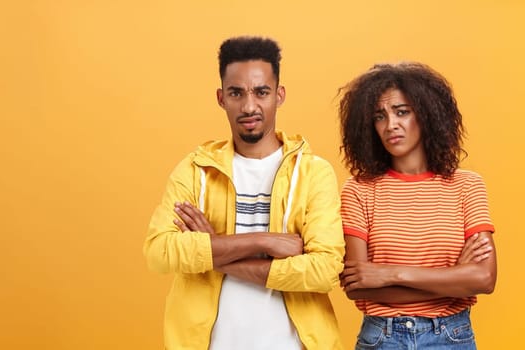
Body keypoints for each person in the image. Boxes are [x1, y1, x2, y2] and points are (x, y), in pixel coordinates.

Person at [143, 36, 345, 350]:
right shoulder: (196, 170)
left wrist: (215, 251)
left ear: (279, 95)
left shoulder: (313, 173)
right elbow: (160, 251)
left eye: (261, 92)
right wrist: (262, 240)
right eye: (237, 93)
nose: (249, 106)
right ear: (221, 98)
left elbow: (324, 271)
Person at [337, 62, 497, 349]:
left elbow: (484, 278)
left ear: (426, 114)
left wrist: (389, 274)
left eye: (402, 112)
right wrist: (453, 278)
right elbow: (358, 286)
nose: (391, 125)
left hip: (451, 337)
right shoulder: (359, 190)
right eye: (379, 116)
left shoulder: (467, 186)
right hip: (382, 339)